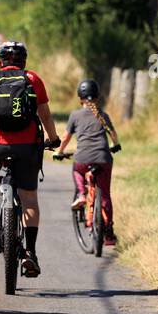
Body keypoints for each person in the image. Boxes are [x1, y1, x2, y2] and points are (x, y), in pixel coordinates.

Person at [0, 40, 60, 278]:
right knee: (30, 201)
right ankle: (31, 253)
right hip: (27, 147)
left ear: (0, 61)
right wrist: (53, 139)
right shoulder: (33, 80)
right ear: (24, 61)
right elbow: (44, 114)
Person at [53, 78, 121, 247]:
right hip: (104, 159)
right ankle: (109, 233)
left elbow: (66, 138)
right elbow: (113, 135)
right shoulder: (102, 114)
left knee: (77, 171)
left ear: (80, 97)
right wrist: (115, 146)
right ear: (97, 96)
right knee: (105, 194)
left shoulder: (75, 115)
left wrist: (59, 152)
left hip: (83, 158)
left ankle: (82, 193)